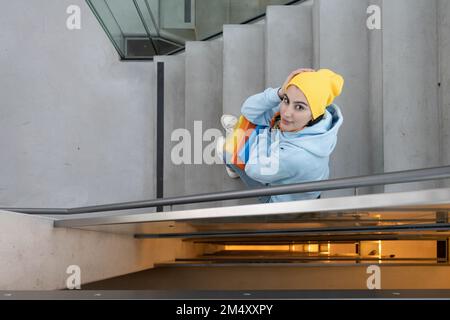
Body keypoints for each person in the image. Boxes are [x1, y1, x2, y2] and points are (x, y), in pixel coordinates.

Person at [216, 68, 344, 203]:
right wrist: (279, 93)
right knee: (253, 118)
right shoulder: (320, 118)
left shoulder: (296, 157)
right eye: (286, 100)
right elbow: (248, 110)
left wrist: (265, 133)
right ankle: (240, 132)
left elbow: (252, 169)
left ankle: (232, 166)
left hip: (280, 199)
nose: (286, 113)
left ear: (314, 114)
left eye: (299, 107)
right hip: (299, 183)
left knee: (229, 153)